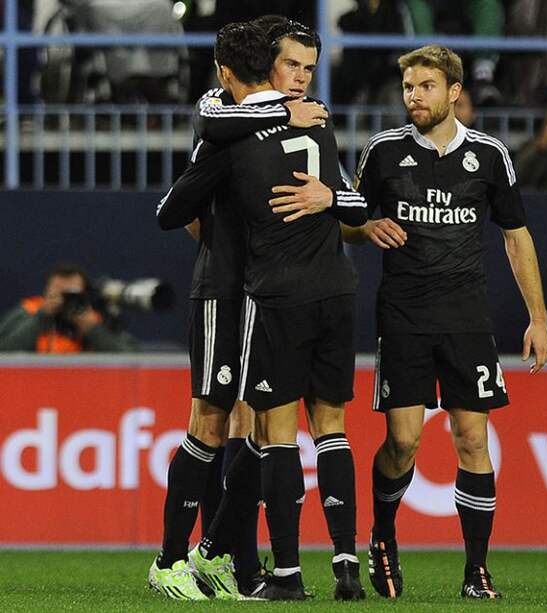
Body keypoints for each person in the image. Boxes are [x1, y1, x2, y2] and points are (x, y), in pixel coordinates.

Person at [272, 44, 547, 599]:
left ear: (454, 92)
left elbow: (516, 237)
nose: (414, 97)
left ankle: (476, 570)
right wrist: (368, 225)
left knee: (473, 439)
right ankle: (383, 535)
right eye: (408, 88)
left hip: (469, 317)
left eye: (426, 86)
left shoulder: (491, 156)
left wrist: (537, 318)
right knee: (403, 443)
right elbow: (349, 221)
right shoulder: (383, 152)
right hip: (403, 316)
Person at [157, 20, 368, 602]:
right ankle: (171, 560)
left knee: (253, 424)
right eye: (291, 66)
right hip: (223, 289)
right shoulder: (225, 123)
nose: (301, 79)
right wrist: (216, 243)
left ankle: (227, 555)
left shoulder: (309, 122)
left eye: (309, 68)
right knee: (212, 418)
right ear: (265, 69)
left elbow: (349, 201)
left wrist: (334, 201)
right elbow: (177, 207)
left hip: (267, 291)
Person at [0, 262, 136, 352]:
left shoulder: (97, 317)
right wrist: (41, 318)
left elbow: (131, 357)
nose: (65, 300)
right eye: (59, 293)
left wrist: (93, 329)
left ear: (84, 294)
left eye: (71, 295)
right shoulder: (29, 311)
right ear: (46, 292)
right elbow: (5, 351)